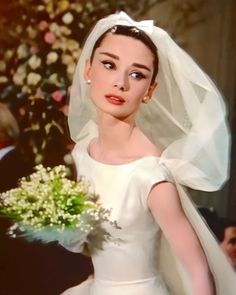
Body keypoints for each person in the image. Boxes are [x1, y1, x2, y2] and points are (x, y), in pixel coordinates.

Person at [61, 11, 236, 294]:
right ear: (88, 70)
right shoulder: (84, 151)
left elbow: (198, 271)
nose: (121, 83)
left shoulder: (150, 173)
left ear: (150, 90)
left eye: (137, 74)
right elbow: (105, 247)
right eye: (109, 65)